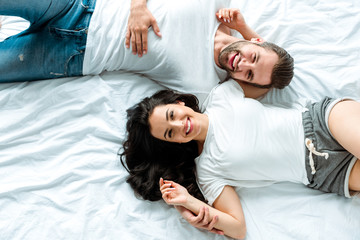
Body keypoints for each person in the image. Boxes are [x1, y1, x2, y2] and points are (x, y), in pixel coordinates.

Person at [121, 80, 360, 239]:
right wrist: (189, 203)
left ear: (178, 103)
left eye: (172, 115)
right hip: (325, 171)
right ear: (173, 144)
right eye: (170, 133)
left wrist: (241, 32)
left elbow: (272, 74)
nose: (179, 124)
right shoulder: (207, 171)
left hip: (321, 123)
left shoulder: (222, 94)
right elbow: (237, 228)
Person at [0, 0, 293, 101]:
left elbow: (259, 95)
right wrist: (138, 6)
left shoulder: (204, 87)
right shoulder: (214, 4)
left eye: (249, 74)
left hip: (71, 55)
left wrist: (249, 38)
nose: (242, 65)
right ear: (256, 42)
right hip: (79, 5)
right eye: (253, 57)